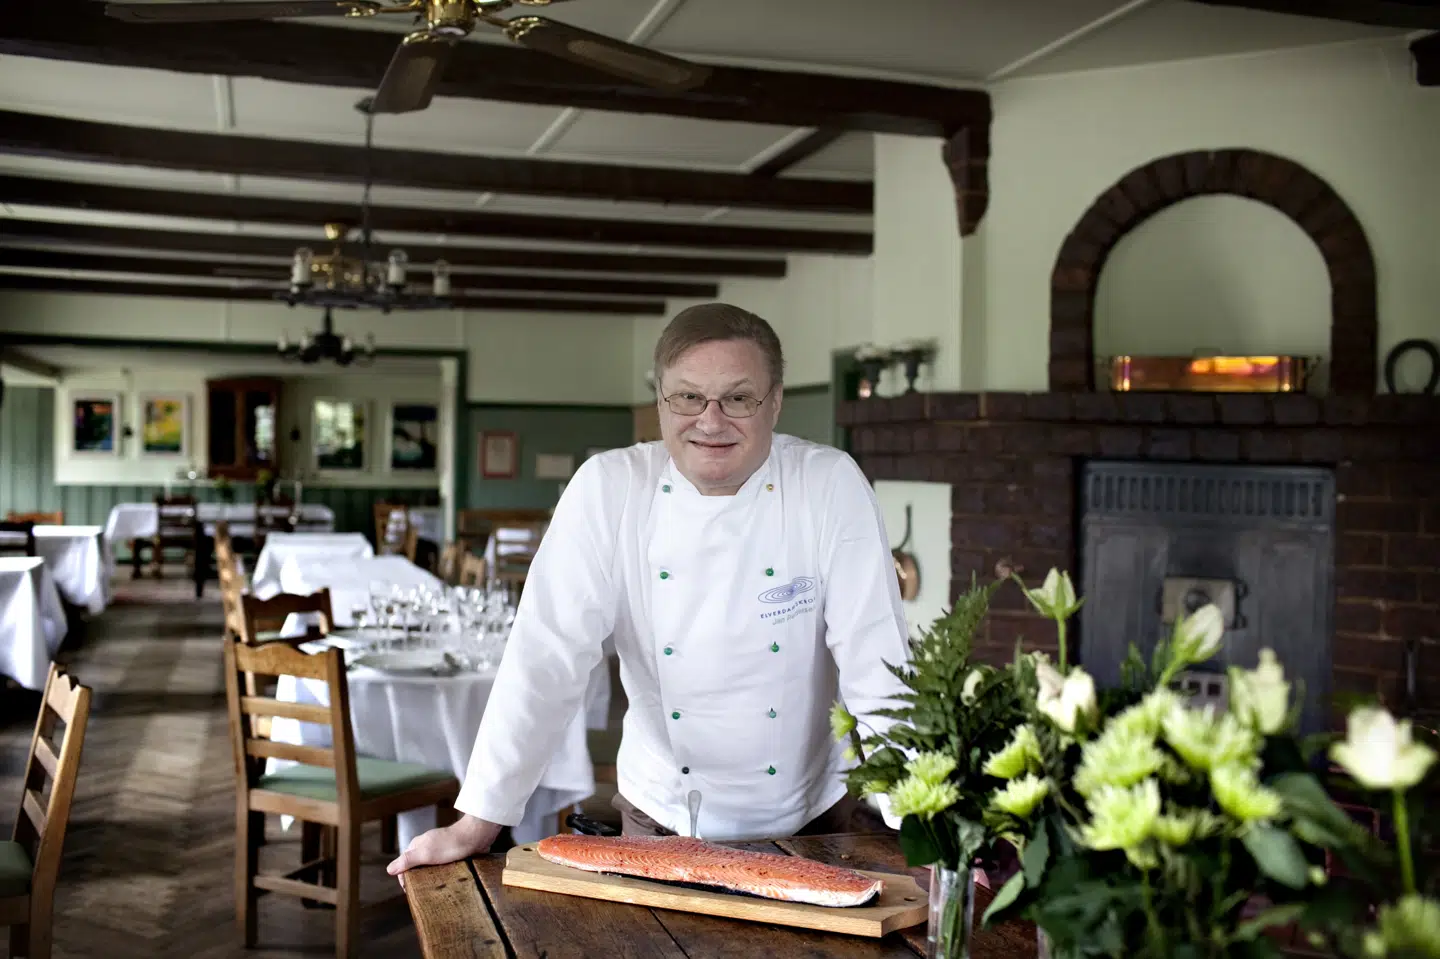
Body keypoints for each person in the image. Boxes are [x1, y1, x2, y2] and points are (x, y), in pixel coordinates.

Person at [388, 302, 911, 876]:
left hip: (810, 823)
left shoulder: (828, 485)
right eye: (688, 397)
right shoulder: (611, 488)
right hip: (659, 817)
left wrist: (924, 822)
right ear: (661, 400)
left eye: (738, 398)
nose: (710, 421)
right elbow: (544, 658)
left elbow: (877, 664)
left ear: (776, 401)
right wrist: (478, 821)